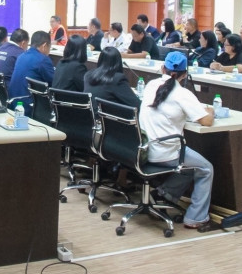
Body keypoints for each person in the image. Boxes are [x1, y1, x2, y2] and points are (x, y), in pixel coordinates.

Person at [139, 52, 214, 229]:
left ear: (162, 69)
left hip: (143, 149)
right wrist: (210, 110)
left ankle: (163, 196)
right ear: (185, 74)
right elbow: (206, 121)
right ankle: (196, 217)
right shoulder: (182, 94)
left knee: (189, 168)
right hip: (166, 153)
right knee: (206, 168)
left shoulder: (150, 85)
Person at [83, 46, 141, 112]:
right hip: (107, 117)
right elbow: (137, 105)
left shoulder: (88, 75)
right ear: (118, 62)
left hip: (89, 115)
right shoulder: (117, 79)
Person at [8, 31, 54, 112]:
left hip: (13, 102)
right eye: (49, 47)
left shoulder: (21, 56)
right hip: (29, 105)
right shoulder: (43, 60)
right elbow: (54, 83)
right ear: (44, 45)